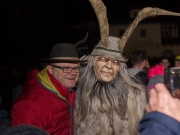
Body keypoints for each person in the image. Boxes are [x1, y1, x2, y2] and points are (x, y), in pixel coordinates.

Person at [10, 43, 87, 135]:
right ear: (50, 69)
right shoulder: (32, 105)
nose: (73, 73)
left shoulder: (71, 94)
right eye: (66, 68)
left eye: (76, 68)